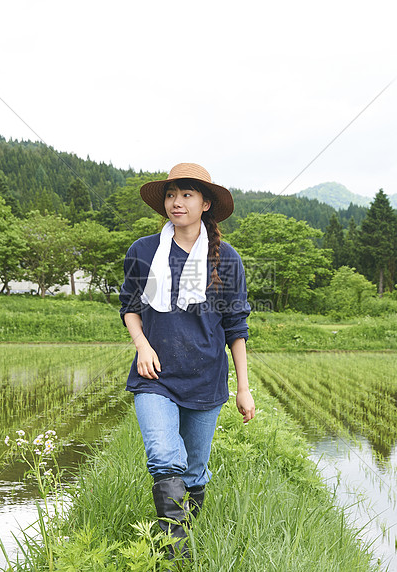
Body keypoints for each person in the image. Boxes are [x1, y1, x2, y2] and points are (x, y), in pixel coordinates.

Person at [119, 163, 255, 557]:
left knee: (194, 471)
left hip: (206, 378)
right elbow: (130, 306)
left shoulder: (226, 259)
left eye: (187, 195)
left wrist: (242, 389)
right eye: (171, 195)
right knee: (164, 456)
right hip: (155, 375)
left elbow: (236, 326)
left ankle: (186, 533)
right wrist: (142, 345)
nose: (176, 203)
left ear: (205, 203)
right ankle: (175, 554)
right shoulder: (144, 251)